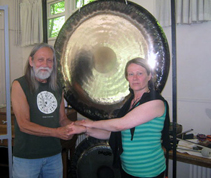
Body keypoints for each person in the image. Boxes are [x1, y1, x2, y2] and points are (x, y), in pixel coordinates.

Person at [67, 57, 170, 178]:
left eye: (140, 73)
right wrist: (85, 129)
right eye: (131, 74)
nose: (135, 78)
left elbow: (120, 125)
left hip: (149, 171)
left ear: (149, 76)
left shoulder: (156, 103)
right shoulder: (130, 103)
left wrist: (91, 123)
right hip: (127, 169)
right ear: (127, 77)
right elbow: (114, 134)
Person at [11, 43, 73, 178]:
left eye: (49, 60)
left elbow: (62, 119)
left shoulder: (57, 87)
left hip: (54, 155)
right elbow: (24, 124)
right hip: (27, 157)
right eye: (40, 60)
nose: (45, 64)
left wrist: (76, 127)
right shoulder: (19, 85)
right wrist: (56, 132)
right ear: (31, 61)